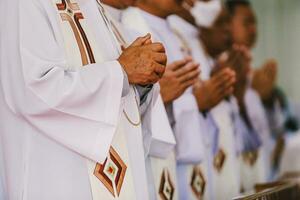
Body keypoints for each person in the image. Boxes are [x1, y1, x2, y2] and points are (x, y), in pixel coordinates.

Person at [0, 0, 167, 199]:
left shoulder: (92, 5)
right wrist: (121, 72)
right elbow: (31, 93)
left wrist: (142, 84)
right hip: (59, 180)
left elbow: (119, 88)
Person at [226, 0, 272, 189]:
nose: (253, 30)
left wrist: (266, 97)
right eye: (247, 23)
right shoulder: (221, 71)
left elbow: (266, 136)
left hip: (260, 174)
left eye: (255, 24)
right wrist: (238, 97)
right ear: (227, 24)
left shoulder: (254, 76)